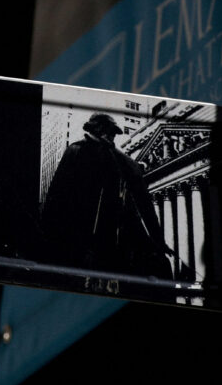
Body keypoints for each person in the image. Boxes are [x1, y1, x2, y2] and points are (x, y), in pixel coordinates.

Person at [41, 113, 173, 279]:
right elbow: (56, 197)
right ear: (97, 130)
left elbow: (144, 203)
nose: (112, 137)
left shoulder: (122, 160)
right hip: (78, 239)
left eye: (113, 133)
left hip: (111, 240)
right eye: (108, 132)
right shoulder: (76, 151)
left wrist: (158, 241)